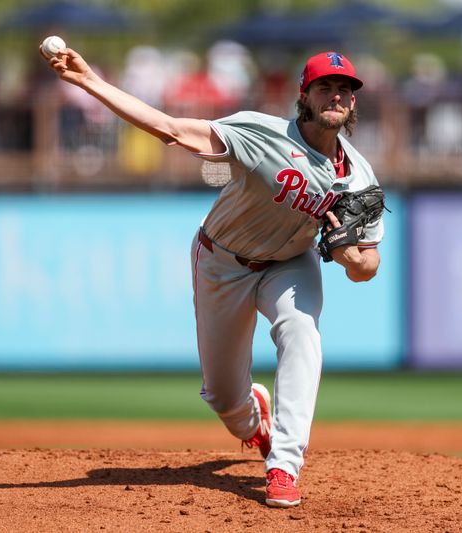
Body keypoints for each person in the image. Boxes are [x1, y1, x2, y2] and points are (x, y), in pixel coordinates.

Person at [44, 48, 383, 508]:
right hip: (223, 260)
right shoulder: (260, 132)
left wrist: (344, 251)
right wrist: (90, 82)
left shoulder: (359, 177)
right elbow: (169, 128)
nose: (336, 96)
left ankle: (285, 464)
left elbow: (366, 268)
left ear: (353, 103)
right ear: (304, 95)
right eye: (325, 86)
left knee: (302, 332)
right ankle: (254, 421)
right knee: (223, 397)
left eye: (345, 89)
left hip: (289, 263)